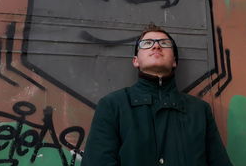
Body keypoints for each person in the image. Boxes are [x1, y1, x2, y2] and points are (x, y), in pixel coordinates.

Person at [81, 24, 233, 166]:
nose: (156, 46)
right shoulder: (113, 105)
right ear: (136, 61)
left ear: (174, 61)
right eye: (147, 43)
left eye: (164, 43)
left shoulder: (199, 111)